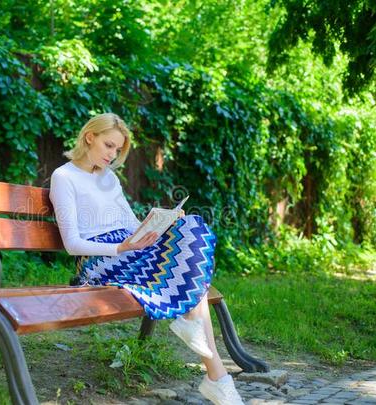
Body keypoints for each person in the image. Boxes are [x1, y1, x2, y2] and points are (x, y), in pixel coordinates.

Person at [49, 113, 244, 405]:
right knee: (189, 280)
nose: (112, 155)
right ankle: (217, 376)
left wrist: (162, 224)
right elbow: (72, 244)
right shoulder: (64, 177)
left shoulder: (109, 179)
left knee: (191, 227)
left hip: (129, 249)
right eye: (108, 145)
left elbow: (130, 224)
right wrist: (121, 248)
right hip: (98, 260)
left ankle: (210, 364)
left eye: (117, 150)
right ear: (89, 137)